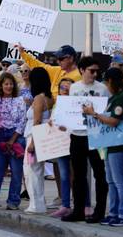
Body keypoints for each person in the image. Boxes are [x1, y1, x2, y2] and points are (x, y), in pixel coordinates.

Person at [82, 67, 123, 227]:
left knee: (119, 181)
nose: (105, 84)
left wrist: (94, 114)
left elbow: (114, 121)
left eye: (106, 80)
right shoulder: (114, 98)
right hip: (109, 144)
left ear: (111, 81)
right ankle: (113, 213)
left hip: (119, 145)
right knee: (111, 180)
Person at [62, 56, 109, 223]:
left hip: (96, 135)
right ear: (82, 70)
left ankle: (99, 211)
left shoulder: (102, 89)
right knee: (79, 175)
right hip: (77, 135)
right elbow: (69, 109)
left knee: (100, 174)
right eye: (91, 71)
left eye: (97, 71)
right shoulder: (74, 88)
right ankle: (79, 210)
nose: (95, 74)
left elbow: (107, 112)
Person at [0, 72, 27, 210]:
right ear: (0, 85)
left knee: (16, 172)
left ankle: (13, 201)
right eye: (6, 84)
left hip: (16, 137)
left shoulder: (20, 100)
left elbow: (22, 121)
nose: (9, 86)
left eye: (11, 84)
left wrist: (12, 140)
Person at [23, 68, 53, 214]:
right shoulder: (48, 98)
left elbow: (37, 121)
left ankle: (36, 205)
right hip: (41, 136)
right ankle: (38, 203)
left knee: (31, 171)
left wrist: (32, 143)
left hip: (34, 137)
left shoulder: (39, 99)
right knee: (37, 171)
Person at [51, 77, 75, 218]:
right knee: (64, 176)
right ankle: (65, 205)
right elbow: (54, 121)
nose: (65, 91)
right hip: (61, 144)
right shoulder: (57, 104)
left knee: (76, 176)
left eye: (68, 88)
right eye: (62, 88)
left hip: (75, 144)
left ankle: (79, 204)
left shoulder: (76, 104)